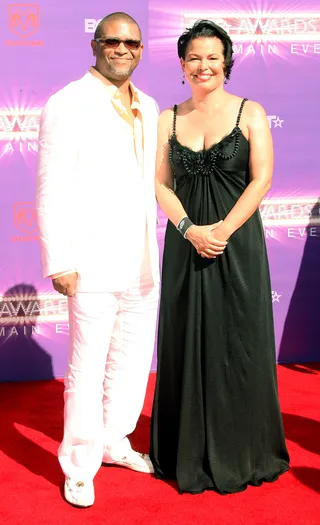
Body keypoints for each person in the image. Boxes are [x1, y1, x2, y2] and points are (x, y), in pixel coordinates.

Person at [150, 20, 290, 495]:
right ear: (182, 63)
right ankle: (182, 451)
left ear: (226, 61)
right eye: (194, 57)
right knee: (184, 342)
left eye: (212, 57)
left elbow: (262, 179)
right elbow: (159, 185)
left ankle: (244, 450)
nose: (203, 65)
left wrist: (222, 230)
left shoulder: (251, 112)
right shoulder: (167, 118)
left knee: (238, 344)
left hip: (236, 244)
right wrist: (190, 230)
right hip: (186, 244)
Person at [36, 12, 160, 507]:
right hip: (89, 260)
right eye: (113, 41)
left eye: (132, 42)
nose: (123, 49)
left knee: (132, 363)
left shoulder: (149, 106)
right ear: (95, 44)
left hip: (143, 260)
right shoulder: (66, 103)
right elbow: (50, 186)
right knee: (86, 368)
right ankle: (80, 463)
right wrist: (59, 259)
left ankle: (114, 440)